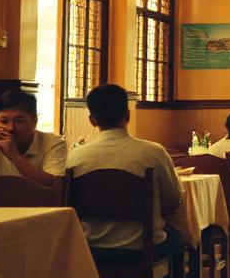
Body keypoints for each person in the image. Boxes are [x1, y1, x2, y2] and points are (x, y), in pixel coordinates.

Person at [64, 84, 184, 252]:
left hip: (90, 249)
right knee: (177, 238)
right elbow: (174, 199)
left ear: (92, 120)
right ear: (128, 115)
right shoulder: (154, 153)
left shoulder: (74, 157)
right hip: (143, 247)